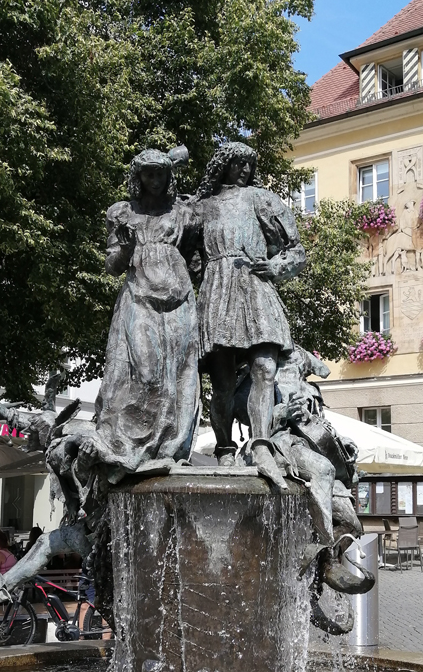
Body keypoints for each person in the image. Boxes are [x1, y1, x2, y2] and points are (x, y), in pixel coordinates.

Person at [76, 146, 200, 477]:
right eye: (148, 173)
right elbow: (112, 266)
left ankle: (168, 448)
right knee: (143, 374)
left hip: (179, 303)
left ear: (169, 175)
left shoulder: (184, 213)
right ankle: (126, 448)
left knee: (176, 376)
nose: (155, 180)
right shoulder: (121, 212)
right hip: (138, 297)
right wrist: (128, 246)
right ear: (138, 177)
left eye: (160, 173)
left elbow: (196, 259)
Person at [195, 142, 306, 488]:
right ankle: (225, 447)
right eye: (239, 162)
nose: (245, 169)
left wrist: (275, 266)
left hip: (256, 288)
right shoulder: (204, 208)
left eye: (250, 164)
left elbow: (297, 250)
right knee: (223, 383)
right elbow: (187, 257)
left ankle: (261, 443)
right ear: (223, 165)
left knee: (265, 368)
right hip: (217, 291)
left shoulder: (261, 198)